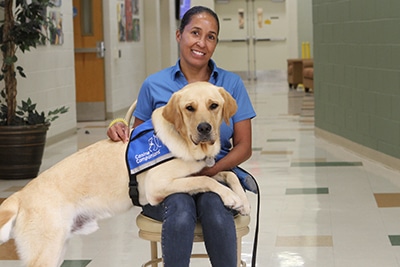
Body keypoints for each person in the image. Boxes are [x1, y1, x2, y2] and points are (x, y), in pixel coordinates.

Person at [107, 6, 256, 267]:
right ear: (179, 35)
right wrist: (120, 124)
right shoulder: (155, 84)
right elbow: (140, 143)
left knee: (213, 207)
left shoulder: (230, 85)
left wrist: (212, 173)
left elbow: (244, 146)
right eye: (195, 33)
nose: (201, 43)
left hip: (215, 171)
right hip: (169, 181)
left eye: (211, 36)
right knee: (181, 210)